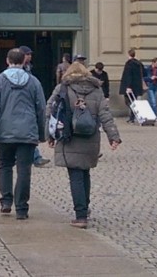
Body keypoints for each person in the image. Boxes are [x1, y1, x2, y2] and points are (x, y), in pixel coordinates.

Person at [47, 60, 122, 228]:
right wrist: (113, 136)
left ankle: (81, 215)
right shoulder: (97, 90)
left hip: (69, 137)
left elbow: (51, 111)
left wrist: (50, 135)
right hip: (90, 137)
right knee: (85, 172)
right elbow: (105, 114)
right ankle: (85, 208)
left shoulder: (62, 88)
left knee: (75, 175)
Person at [0, 47, 47, 220]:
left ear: (7, 61)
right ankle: (21, 208)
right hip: (27, 132)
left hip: (4, 132)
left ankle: (6, 201)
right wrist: (42, 134)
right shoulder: (33, 81)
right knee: (24, 170)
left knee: (5, 166)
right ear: (24, 61)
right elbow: (41, 109)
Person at [118, 49, 145, 122]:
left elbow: (128, 75)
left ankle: (133, 116)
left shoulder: (129, 63)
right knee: (133, 101)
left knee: (128, 102)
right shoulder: (139, 63)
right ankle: (132, 117)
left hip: (130, 86)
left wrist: (128, 86)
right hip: (137, 86)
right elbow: (144, 72)